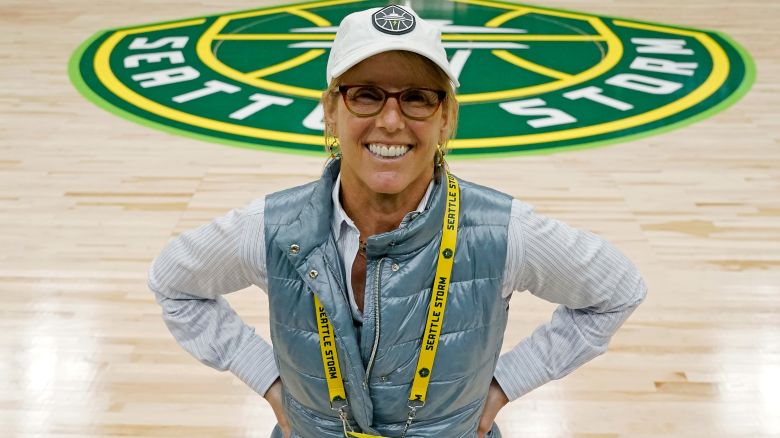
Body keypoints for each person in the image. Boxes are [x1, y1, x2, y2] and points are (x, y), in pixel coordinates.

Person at [148, 5, 647, 438]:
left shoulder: (505, 231)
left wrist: (503, 387)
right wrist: (269, 381)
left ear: (447, 117)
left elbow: (617, 289)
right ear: (330, 111)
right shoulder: (271, 228)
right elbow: (173, 282)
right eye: (365, 94)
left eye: (417, 97)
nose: (390, 121)